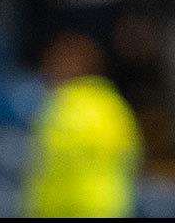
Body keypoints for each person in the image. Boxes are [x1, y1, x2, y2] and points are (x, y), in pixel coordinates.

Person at [23, 31, 143, 217]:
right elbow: (131, 154)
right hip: (105, 206)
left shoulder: (57, 104)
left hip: (67, 208)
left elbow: (40, 158)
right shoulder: (111, 103)